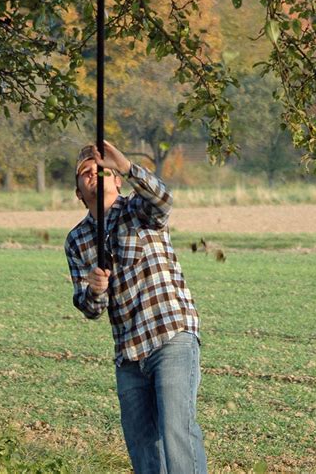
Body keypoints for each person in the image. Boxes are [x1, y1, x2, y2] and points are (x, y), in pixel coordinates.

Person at [64, 140, 207, 474]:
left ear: (116, 181)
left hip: (169, 336)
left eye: (102, 171)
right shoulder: (77, 240)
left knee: (177, 434)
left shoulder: (139, 210)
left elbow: (164, 199)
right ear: (78, 192)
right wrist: (96, 291)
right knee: (144, 452)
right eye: (85, 173)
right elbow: (88, 306)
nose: (93, 177)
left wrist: (126, 165)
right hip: (128, 356)